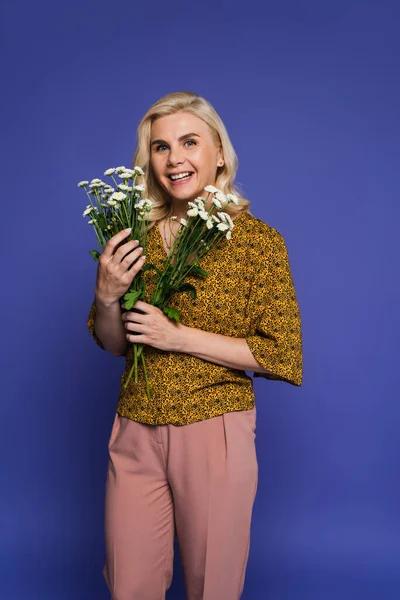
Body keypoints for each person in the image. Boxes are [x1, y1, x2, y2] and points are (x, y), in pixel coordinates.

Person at [86, 91, 303, 600]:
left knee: (213, 587)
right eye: (160, 147)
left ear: (220, 152)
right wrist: (106, 295)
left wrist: (177, 337)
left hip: (215, 429)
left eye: (189, 141)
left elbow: (281, 353)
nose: (174, 158)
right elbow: (116, 343)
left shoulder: (258, 243)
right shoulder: (131, 234)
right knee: (128, 585)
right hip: (136, 426)